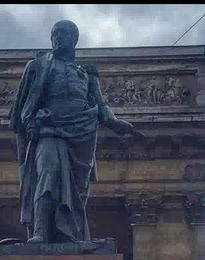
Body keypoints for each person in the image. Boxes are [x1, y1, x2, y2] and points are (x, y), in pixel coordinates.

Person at [8, 20, 143, 244]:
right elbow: (23, 106)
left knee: (77, 191)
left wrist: (116, 122)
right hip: (49, 130)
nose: (57, 38)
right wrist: (32, 122)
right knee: (48, 174)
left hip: (81, 136)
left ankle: (67, 234)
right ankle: (41, 231)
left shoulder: (87, 72)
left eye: (62, 33)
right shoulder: (38, 66)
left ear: (74, 39)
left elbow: (99, 105)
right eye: (54, 34)